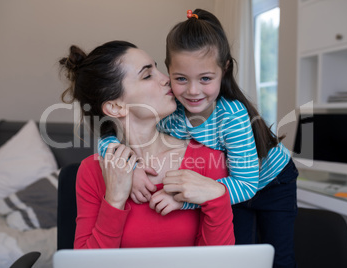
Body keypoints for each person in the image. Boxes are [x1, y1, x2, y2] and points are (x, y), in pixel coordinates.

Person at [98, 9, 298, 267]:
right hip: (229, 182)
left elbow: (247, 185)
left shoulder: (232, 116)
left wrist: (183, 199)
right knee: (240, 254)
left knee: (279, 256)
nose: (193, 91)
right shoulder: (171, 111)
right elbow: (112, 133)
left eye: (205, 78)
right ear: (169, 72)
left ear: (224, 70)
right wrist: (128, 162)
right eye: (181, 79)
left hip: (272, 182)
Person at [58, 40, 235, 248]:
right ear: (115, 107)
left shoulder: (207, 157)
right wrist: (114, 200)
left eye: (157, 69)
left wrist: (217, 197)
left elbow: (218, 261)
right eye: (147, 75)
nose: (167, 79)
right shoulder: (92, 171)